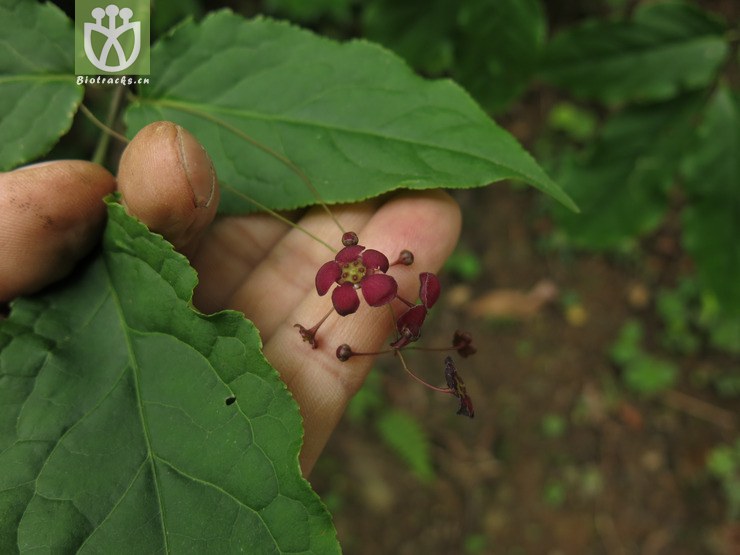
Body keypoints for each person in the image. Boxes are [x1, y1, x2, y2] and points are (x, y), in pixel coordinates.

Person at [0, 121, 461, 474]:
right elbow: (346, 284)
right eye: (354, 268)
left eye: (357, 269)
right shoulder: (344, 281)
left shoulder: (360, 279)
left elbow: (356, 280)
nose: (356, 269)